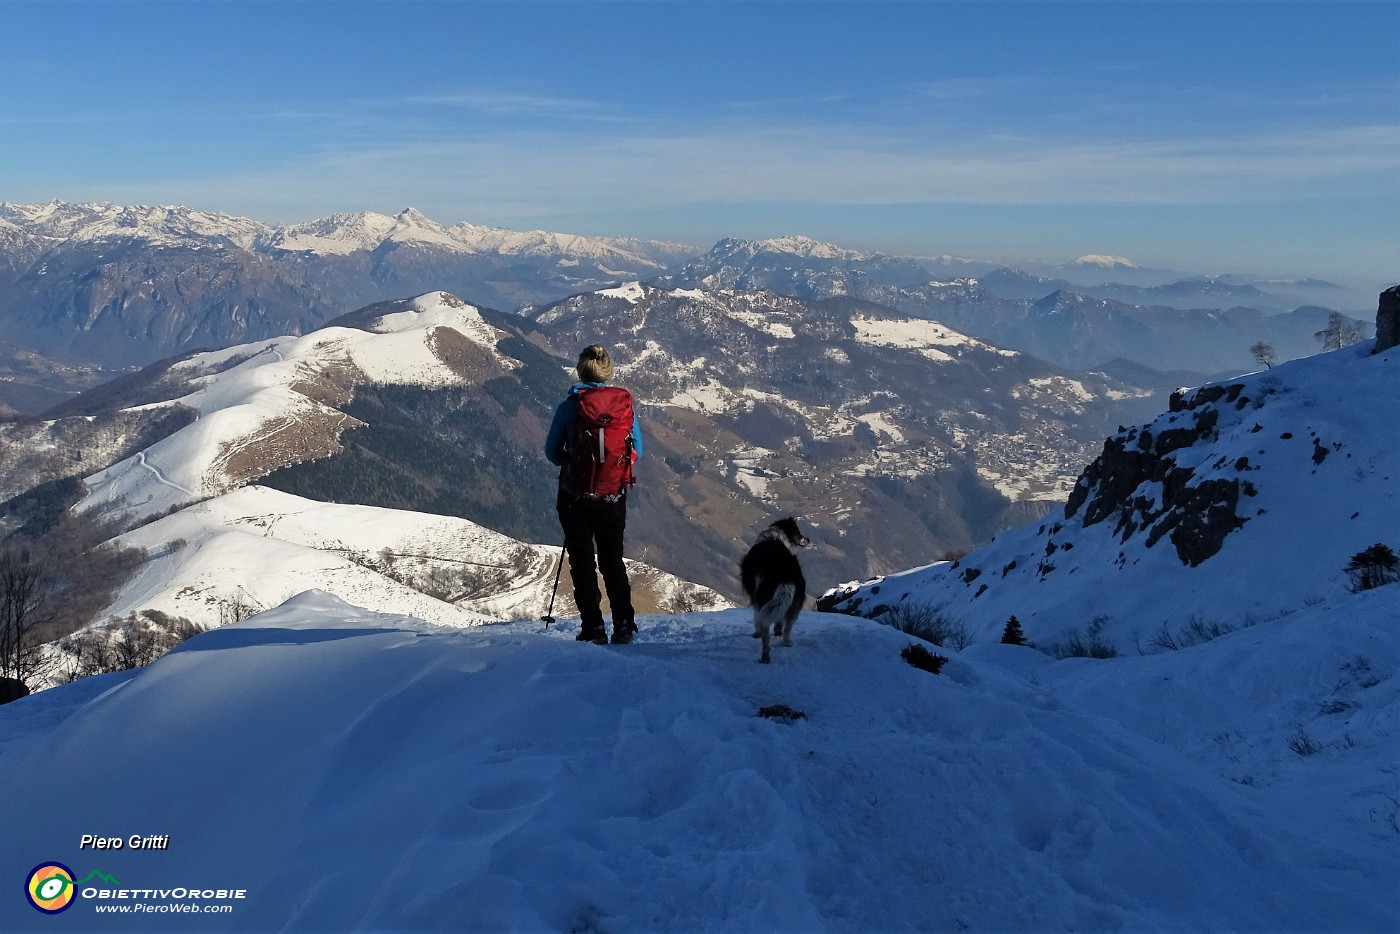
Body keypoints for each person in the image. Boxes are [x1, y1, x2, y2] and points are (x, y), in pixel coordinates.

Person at [545, 345, 643, 645]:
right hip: (613, 496)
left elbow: (551, 452)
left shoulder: (569, 407)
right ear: (607, 371)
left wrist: (572, 461)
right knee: (612, 560)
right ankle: (624, 624)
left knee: (583, 561)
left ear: (580, 369)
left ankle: (593, 628)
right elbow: (636, 448)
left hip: (575, 497)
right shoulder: (623, 407)